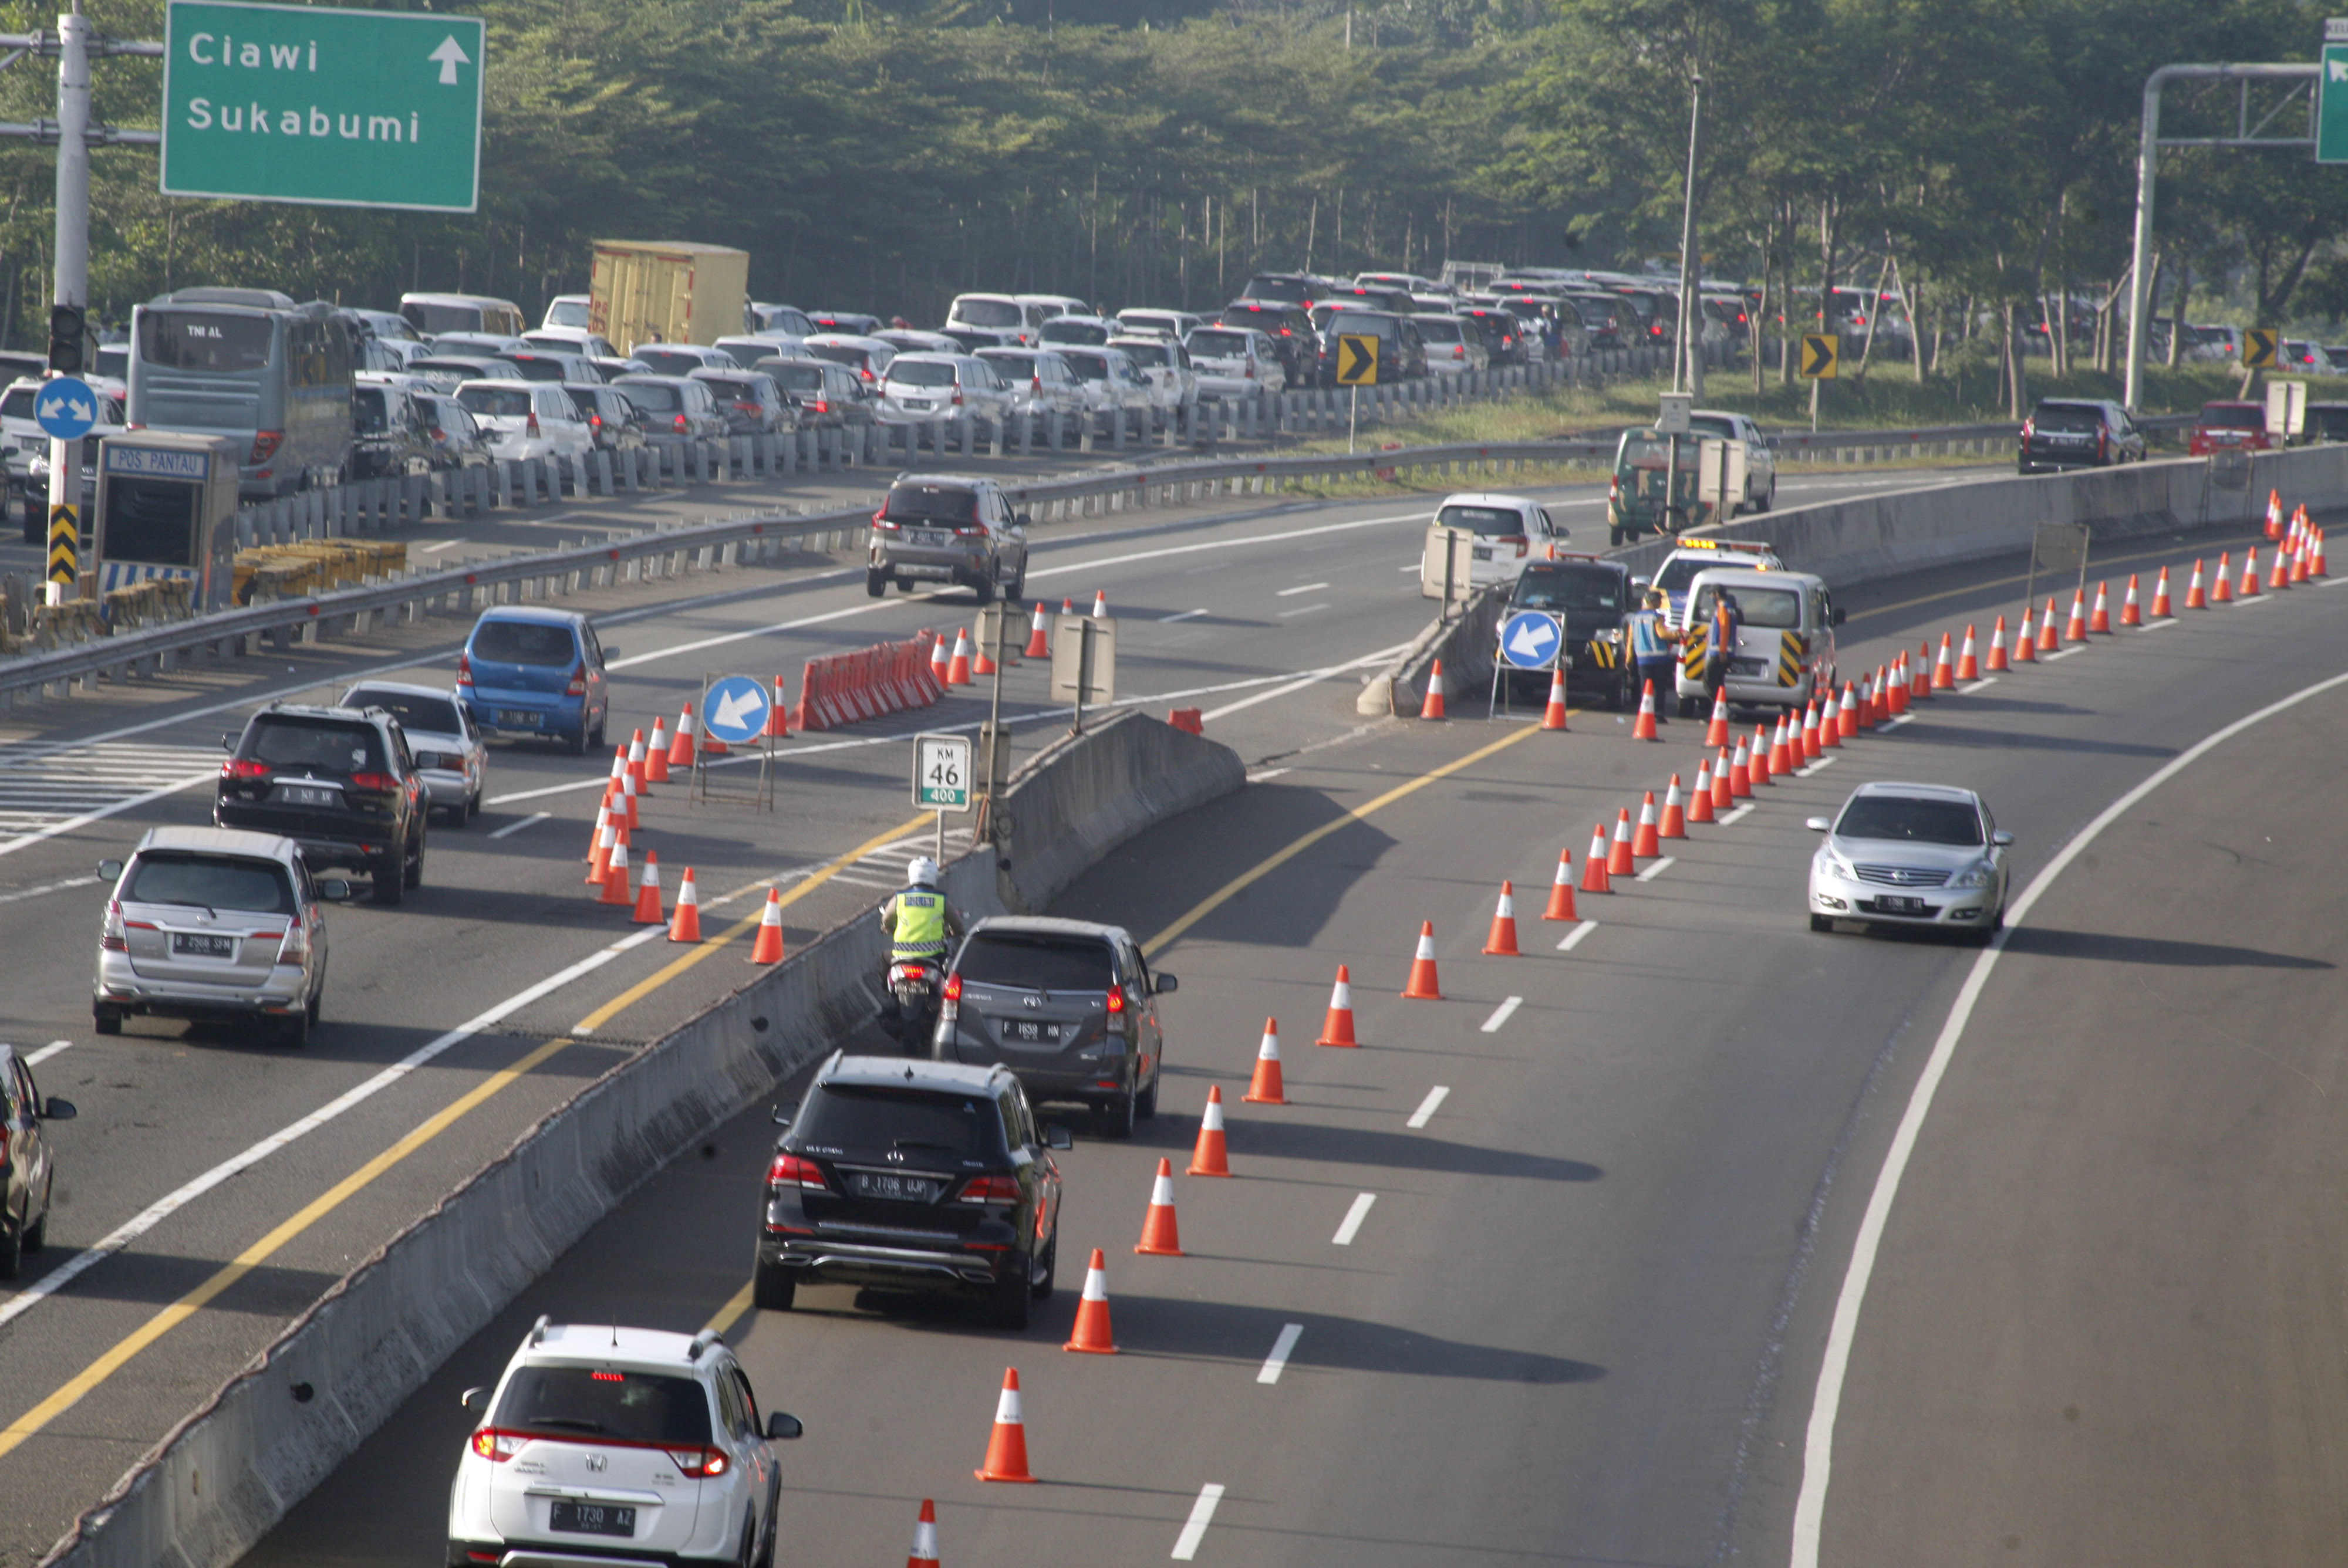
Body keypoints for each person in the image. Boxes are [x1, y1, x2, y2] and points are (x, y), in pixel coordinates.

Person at [880, 856, 965, 965]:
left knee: (883, 959)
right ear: (934, 875)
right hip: (933, 955)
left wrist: (888, 928)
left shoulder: (900, 899)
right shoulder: (940, 900)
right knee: (951, 964)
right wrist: (956, 933)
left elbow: (886, 919)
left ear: (910, 875)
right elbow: (957, 925)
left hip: (901, 954)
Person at [1627, 588, 1676, 719]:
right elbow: (1662, 634)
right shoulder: (1656, 617)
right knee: (1660, 688)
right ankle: (1658, 714)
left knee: (1646, 689)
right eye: (1660, 600)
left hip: (1643, 660)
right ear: (1653, 602)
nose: (1661, 603)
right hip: (1660, 659)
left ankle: (1646, 714)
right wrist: (1678, 635)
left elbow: (1630, 640)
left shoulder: (1634, 618)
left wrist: (1629, 658)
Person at [1702, 590, 1743, 705]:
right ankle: (1722, 708)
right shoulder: (1730, 609)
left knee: (1708, 681)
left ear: (1716, 594)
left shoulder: (1723, 609)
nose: (1711, 598)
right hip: (1724, 651)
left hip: (1719, 653)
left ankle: (1720, 707)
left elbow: (1724, 630)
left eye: (1711, 595)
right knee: (1719, 682)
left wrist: (1722, 651)